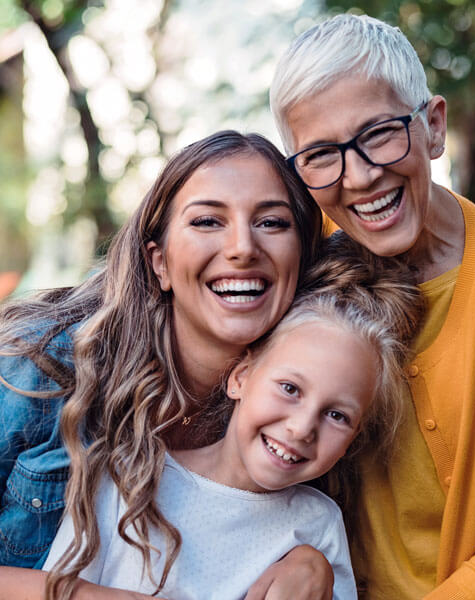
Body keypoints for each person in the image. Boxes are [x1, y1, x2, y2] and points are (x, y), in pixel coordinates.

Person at [270, 13, 475, 600]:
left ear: (433, 126)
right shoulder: (298, 261)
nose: (360, 177)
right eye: (321, 155)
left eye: (379, 134)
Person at [0, 130, 325, 599]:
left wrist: (310, 557)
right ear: (160, 263)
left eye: (272, 223)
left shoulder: (302, 406)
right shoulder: (41, 367)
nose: (242, 247)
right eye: (209, 221)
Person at [41, 233, 424, 600]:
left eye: (338, 415)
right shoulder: (130, 474)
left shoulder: (317, 525)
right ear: (241, 377)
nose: (302, 427)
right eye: (290, 389)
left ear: (354, 437)